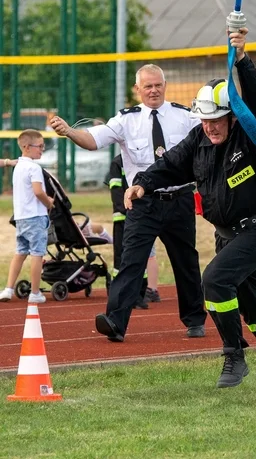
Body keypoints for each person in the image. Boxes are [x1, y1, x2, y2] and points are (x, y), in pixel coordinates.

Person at [125, 27, 256, 391]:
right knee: (251, 305)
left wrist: (242, 59)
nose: (209, 127)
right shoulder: (199, 138)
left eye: (216, 120)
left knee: (215, 281)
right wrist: (143, 182)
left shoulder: (252, 133)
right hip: (227, 235)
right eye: (204, 120)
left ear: (232, 117)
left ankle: (233, 356)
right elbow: (170, 163)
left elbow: (255, 98)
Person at [49, 64, 207, 343]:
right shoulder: (126, 120)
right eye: (147, 86)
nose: (153, 90)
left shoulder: (186, 116)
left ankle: (195, 319)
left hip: (178, 199)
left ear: (165, 85)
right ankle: (115, 322)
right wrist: (69, 133)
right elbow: (93, 140)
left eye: (158, 85)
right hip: (141, 202)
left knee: (185, 263)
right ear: (137, 90)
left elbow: (209, 144)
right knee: (130, 262)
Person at [0, 130, 54, 303]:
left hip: (21, 217)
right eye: (39, 146)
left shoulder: (19, 166)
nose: (42, 150)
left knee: (20, 252)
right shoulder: (34, 167)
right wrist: (49, 203)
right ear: (26, 147)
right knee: (37, 254)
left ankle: (8, 289)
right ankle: (35, 292)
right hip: (36, 216)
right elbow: (38, 191)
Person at [105, 154, 159, 310]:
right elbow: (116, 191)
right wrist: (129, 210)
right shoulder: (117, 162)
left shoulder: (141, 158)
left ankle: (140, 294)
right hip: (124, 217)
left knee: (141, 256)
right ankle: (118, 295)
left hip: (142, 215)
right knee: (121, 258)